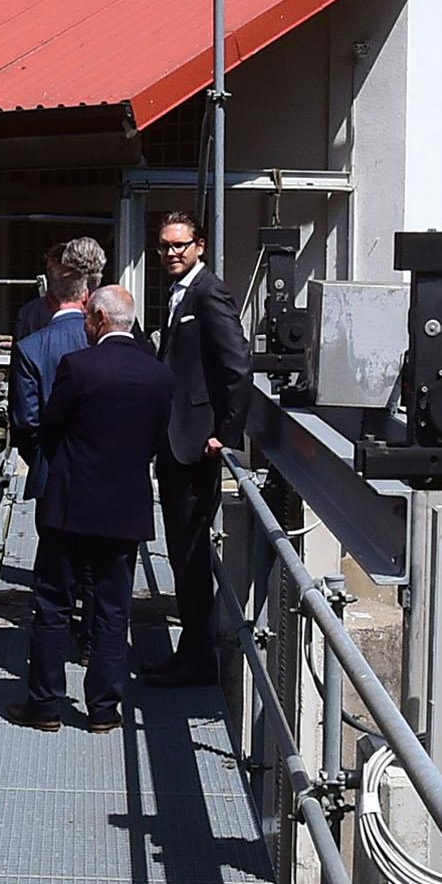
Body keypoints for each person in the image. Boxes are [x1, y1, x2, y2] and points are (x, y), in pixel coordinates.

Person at [26, 282, 169, 727]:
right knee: (113, 610)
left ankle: (46, 705)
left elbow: (49, 428)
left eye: (88, 318)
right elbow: (156, 439)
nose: (84, 325)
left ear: (100, 320)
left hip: (70, 503)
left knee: (53, 604)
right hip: (125, 505)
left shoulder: (78, 367)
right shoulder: (158, 374)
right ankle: (104, 709)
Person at [149, 205, 255, 684]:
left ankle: (195, 658)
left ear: (199, 247)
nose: (171, 252)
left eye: (180, 245)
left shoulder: (209, 292)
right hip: (177, 439)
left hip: (196, 443)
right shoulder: (178, 293)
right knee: (181, 549)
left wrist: (225, 435)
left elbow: (237, 366)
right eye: (165, 245)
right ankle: (190, 650)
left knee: (190, 552)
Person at [3, 236, 104, 489]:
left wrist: (38, 456)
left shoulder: (30, 332)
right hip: (104, 468)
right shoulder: (113, 321)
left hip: (49, 466)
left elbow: (25, 418)